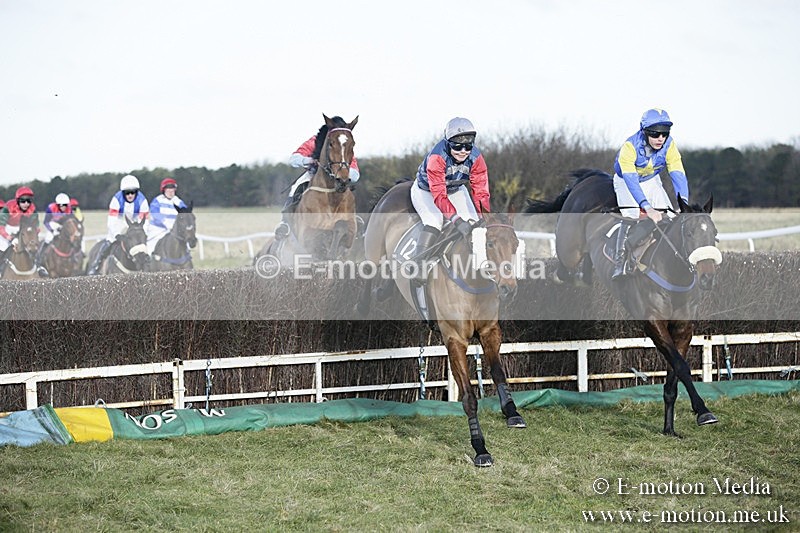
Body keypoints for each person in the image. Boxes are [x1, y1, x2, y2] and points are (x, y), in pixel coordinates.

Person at [611, 108, 690, 280]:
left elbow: (678, 174)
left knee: (669, 215)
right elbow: (631, 182)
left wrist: (683, 203)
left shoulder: (670, 145)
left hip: (650, 180)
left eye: (664, 133)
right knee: (632, 216)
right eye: (655, 133)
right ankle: (620, 262)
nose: (660, 138)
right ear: (644, 132)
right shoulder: (630, 147)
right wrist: (647, 207)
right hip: (626, 181)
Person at [408, 117, 490, 274]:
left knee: (476, 223)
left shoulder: (476, 158)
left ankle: (483, 265)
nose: (463, 151)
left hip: (456, 189)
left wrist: (485, 217)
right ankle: (419, 265)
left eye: (468, 145)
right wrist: (457, 220)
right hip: (427, 191)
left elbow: (481, 192)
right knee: (435, 221)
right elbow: (439, 196)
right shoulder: (437, 158)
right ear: (447, 142)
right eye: (457, 146)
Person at [274, 116, 360, 240]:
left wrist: (344, 172)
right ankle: (285, 224)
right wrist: (309, 160)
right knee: (296, 186)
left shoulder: (345, 146)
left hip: (338, 179)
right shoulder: (315, 141)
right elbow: (294, 159)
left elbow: (355, 174)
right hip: (314, 175)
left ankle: (354, 224)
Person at [86, 174, 150, 275]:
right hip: (119, 223)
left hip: (136, 224)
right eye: (127, 193)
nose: (130, 195)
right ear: (122, 192)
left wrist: (144, 232)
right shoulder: (116, 200)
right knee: (109, 241)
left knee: (144, 244)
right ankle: (96, 265)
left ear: (136, 192)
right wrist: (116, 234)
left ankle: (149, 267)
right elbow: (112, 221)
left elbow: (145, 220)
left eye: (132, 192)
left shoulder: (143, 201)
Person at [0, 186, 40, 276]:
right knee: (2, 248)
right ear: (18, 201)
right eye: (23, 201)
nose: (26, 204)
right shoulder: (8, 207)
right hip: (7, 229)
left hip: (23, 230)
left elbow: (35, 227)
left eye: (28, 201)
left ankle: (39, 267)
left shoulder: (33, 210)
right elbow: (1, 226)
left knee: (34, 247)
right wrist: (10, 238)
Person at [146, 177, 188, 253]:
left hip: (175, 230)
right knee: (152, 248)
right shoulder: (157, 200)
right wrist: (166, 223)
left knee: (185, 246)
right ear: (164, 190)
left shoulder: (178, 201)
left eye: (172, 189)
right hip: (159, 230)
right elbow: (155, 214)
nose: (171, 191)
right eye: (168, 189)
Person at [36, 192, 74, 276]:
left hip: (64, 227)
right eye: (62, 205)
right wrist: (52, 231)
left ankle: (73, 258)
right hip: (52, 225)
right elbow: (46, 222)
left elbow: (71, 221)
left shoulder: (69, 209)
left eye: (65, 205)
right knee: (48, 239)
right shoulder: (50, 208)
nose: (64, 207)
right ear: (57, 204)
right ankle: (39, 258)